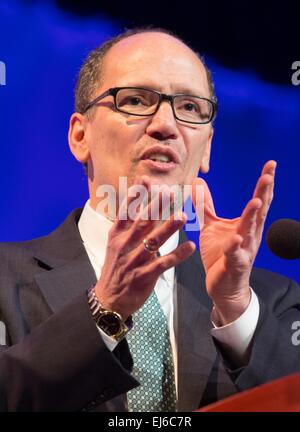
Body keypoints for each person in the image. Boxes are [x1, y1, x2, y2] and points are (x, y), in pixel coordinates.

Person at [0, 27, 299, 412]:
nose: (165, 125)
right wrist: (103, 309)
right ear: (80, 136)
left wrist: (235, 307)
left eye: (190, 107)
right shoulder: (5, 278)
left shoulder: (271, 303)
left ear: (206, 148)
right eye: (137, 100)